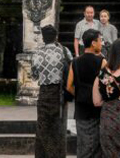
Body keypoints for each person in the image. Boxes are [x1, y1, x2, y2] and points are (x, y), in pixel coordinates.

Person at [33, 25, 72, 158]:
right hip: (59, 92)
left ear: (43, 38)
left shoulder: (37, 53)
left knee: (43, 128)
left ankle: (43, 155)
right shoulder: (64, 51)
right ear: (56, 37)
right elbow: (71, 70)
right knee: (58, 128)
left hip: (44, 93)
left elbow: (34, 75)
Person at [67, 29, 105, 158]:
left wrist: (79, 94)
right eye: (100, 40)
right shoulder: (102, 62)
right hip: (97, 108)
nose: (102, 43)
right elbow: (106, 85)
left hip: (81, 108)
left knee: (83, 144)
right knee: (97, 145)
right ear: (93, 43)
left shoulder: (75, 62)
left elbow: (69, 86)